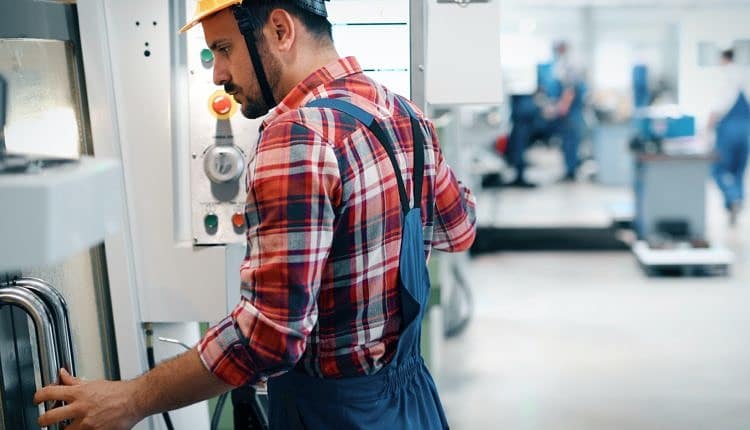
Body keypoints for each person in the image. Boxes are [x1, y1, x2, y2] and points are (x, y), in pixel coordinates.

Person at [34, 0, 477, 429]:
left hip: (334, 414)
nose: (218, 74)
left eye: (224, 49)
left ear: (280, 30)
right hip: (411, 404)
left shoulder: (297, 136)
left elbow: (268, 337)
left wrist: (131, 399)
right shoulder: (406, 114)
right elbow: (459, 229)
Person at [709, 49, 750, 225]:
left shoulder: (725, 76)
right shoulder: (745, 74)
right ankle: (738, 200)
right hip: (746, 131)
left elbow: (720, 104)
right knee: (739, 171)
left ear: (724, 59)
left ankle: (732, 197)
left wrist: (707, 126)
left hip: (728, 131)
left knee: (718, 169)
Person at [545, 41, 587, 182]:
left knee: (571, 142)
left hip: (570, 113)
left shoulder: (569, 65)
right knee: (568, 142)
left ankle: (571, 172)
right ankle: (570, 170)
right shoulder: (561, 65)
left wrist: (561, 108)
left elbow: (570, 90)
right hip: (569, 113)